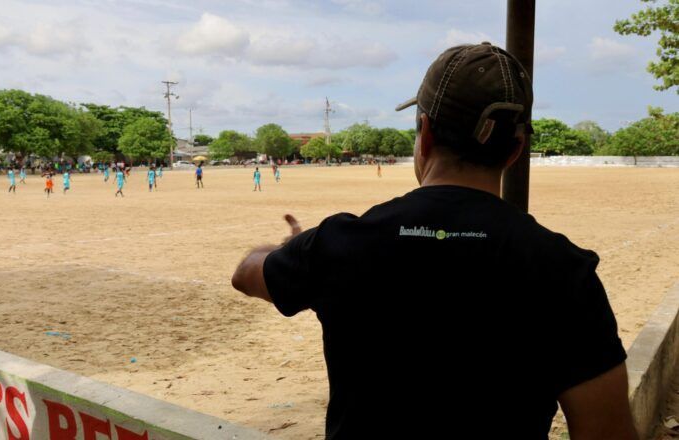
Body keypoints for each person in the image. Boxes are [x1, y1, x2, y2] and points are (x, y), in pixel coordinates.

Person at [231, 42, 637, 440]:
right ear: (515, 150)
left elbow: (246, 275)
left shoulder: (340, 243)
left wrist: (292, 249)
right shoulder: (563, 269)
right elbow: (607, 431)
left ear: (424, 134)